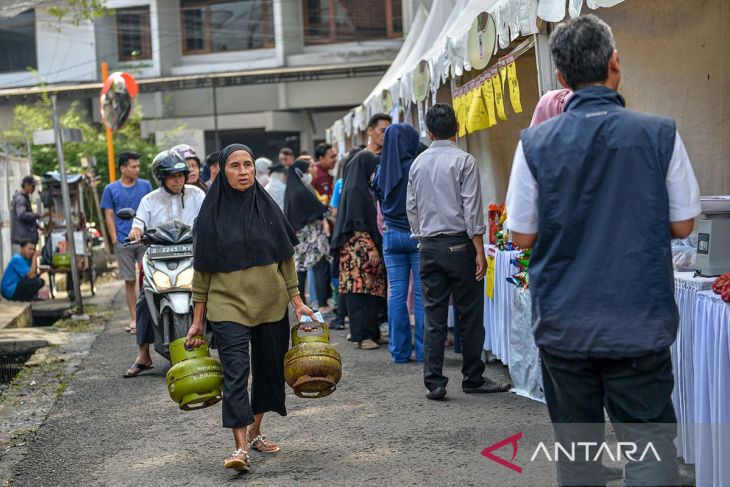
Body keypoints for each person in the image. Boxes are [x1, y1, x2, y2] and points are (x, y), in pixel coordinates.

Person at [505, 15, 700, 486]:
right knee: (651, 449)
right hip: (638, 320)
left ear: (560, 78)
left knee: (578, 454)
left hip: (564, 324)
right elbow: (683, 223)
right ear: (615, 63)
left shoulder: (534, 143)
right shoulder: (659, 133)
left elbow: (521, 237)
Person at [185, 143, 315, 473]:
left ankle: (256, 431)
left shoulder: (268, 208)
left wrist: (297, 302)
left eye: (248, 165)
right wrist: (197, 321)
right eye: (235, 166)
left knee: (269, 371)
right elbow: (201, 274)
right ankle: (240, 448)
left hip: (271, 305)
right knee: (236, 374)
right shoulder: (210, 216)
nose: (243, 171)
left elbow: (286, 259)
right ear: (221, 171)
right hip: (226, 307)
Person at [407, 103, 510, 400]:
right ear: (458, 128)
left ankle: (435, 382)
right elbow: (471, 209)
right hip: (459, 245)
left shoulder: (418, 163)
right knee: (470, 314)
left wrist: (422, 236)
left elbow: (411, 207)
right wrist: (479, 250)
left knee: (434, 316)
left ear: (428, 131)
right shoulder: (464, 160)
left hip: (428, 246)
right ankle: (472, 377)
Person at [122, 150, 206, 378]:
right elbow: (138, 222)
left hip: (193, 254)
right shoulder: (149, 201)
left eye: (181, 174)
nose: (178, 179)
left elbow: (210, 216)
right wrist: (135, 230)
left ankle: (225, 346)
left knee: (218, 291)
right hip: (158, 256)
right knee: (143, 299)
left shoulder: (197, 195)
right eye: (172, 176)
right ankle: (143, 355)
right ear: (162, 178)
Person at [374, 124, 425, 363]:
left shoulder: (380, 171)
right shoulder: (417, 167)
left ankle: (399, 351)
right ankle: (425, 350)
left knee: (396, 293)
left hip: (391, 235)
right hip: (417, 234)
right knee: (421, 294)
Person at [331, 141, 387, 350]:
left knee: (370, 292)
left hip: (361, 249)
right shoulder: (356, 189)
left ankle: (371, 333)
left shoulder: (359, 186)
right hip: (357, 250)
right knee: (359, 294)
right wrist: (370, 247)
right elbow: (356, 222)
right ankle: (362, 336)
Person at [101, 151, 153, 333]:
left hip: (145, 239)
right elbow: (109, 215)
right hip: (124, 241)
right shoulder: (110, 189)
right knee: (130, 280)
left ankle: (152, 318)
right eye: (133, 166)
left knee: (149, 278)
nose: (137, 169)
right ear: (123, 168)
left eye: (138, 166)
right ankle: (134, 319)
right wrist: (114, 239)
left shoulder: (146, 186)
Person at [284, 159, 331, 312]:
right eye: (307, 169)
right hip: (312, 235)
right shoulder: (301, 191)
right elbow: (320, 209)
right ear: (300, 173)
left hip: (298, 237)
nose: (309, 172)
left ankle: (302, 303)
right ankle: (322, 304)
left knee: (300, 271)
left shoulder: (291, 190)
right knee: (319, 267)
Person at [10, 175, 42, 253]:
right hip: (23, 241)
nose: (34, 188)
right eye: (32, 186)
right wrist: (37, 215)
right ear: (26, 185)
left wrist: (38, 227)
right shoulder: (21, 199)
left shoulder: (25, 198)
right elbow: (22, 215)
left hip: (25, 240)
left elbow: (28, 219)